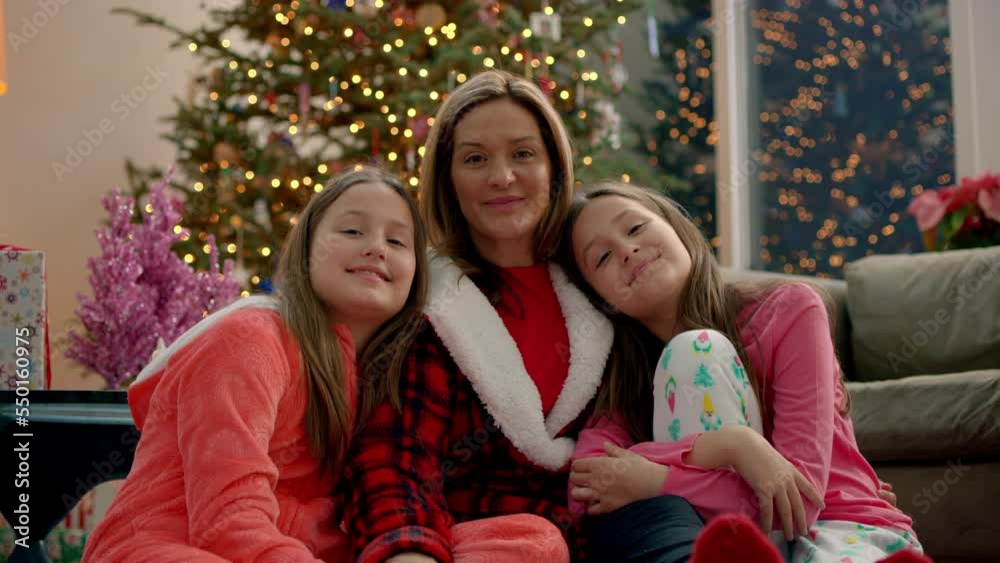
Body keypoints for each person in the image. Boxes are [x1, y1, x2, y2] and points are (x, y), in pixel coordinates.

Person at [343, 70, 669, 563]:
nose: (501, 177)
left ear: (555, 169)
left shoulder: (604, 279)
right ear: (449, 181)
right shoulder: (425, 305)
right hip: (478, 542)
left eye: (523, 154)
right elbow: (394, 461)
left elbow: (694, 351)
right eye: (475, 159)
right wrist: (408, 551)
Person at [557, 182, 929, 563]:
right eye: (601, 258)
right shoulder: (624, 379)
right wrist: (732, 445)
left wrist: (655, 479)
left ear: (676, 228)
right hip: (721, 543)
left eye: (635, 228)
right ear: (601, 301)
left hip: (843, 528)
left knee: (695, 348)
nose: (627, 250)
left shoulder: (790, 309)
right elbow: (585, 490)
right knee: (690, 352)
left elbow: (798, 497)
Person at [82, 167, 428, 563]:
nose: (376, 248)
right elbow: (227, 515)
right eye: (352, 231)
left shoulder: (397, 379)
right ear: (307, 249)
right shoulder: (250, 338)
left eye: (397, 240)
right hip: (166, 547)